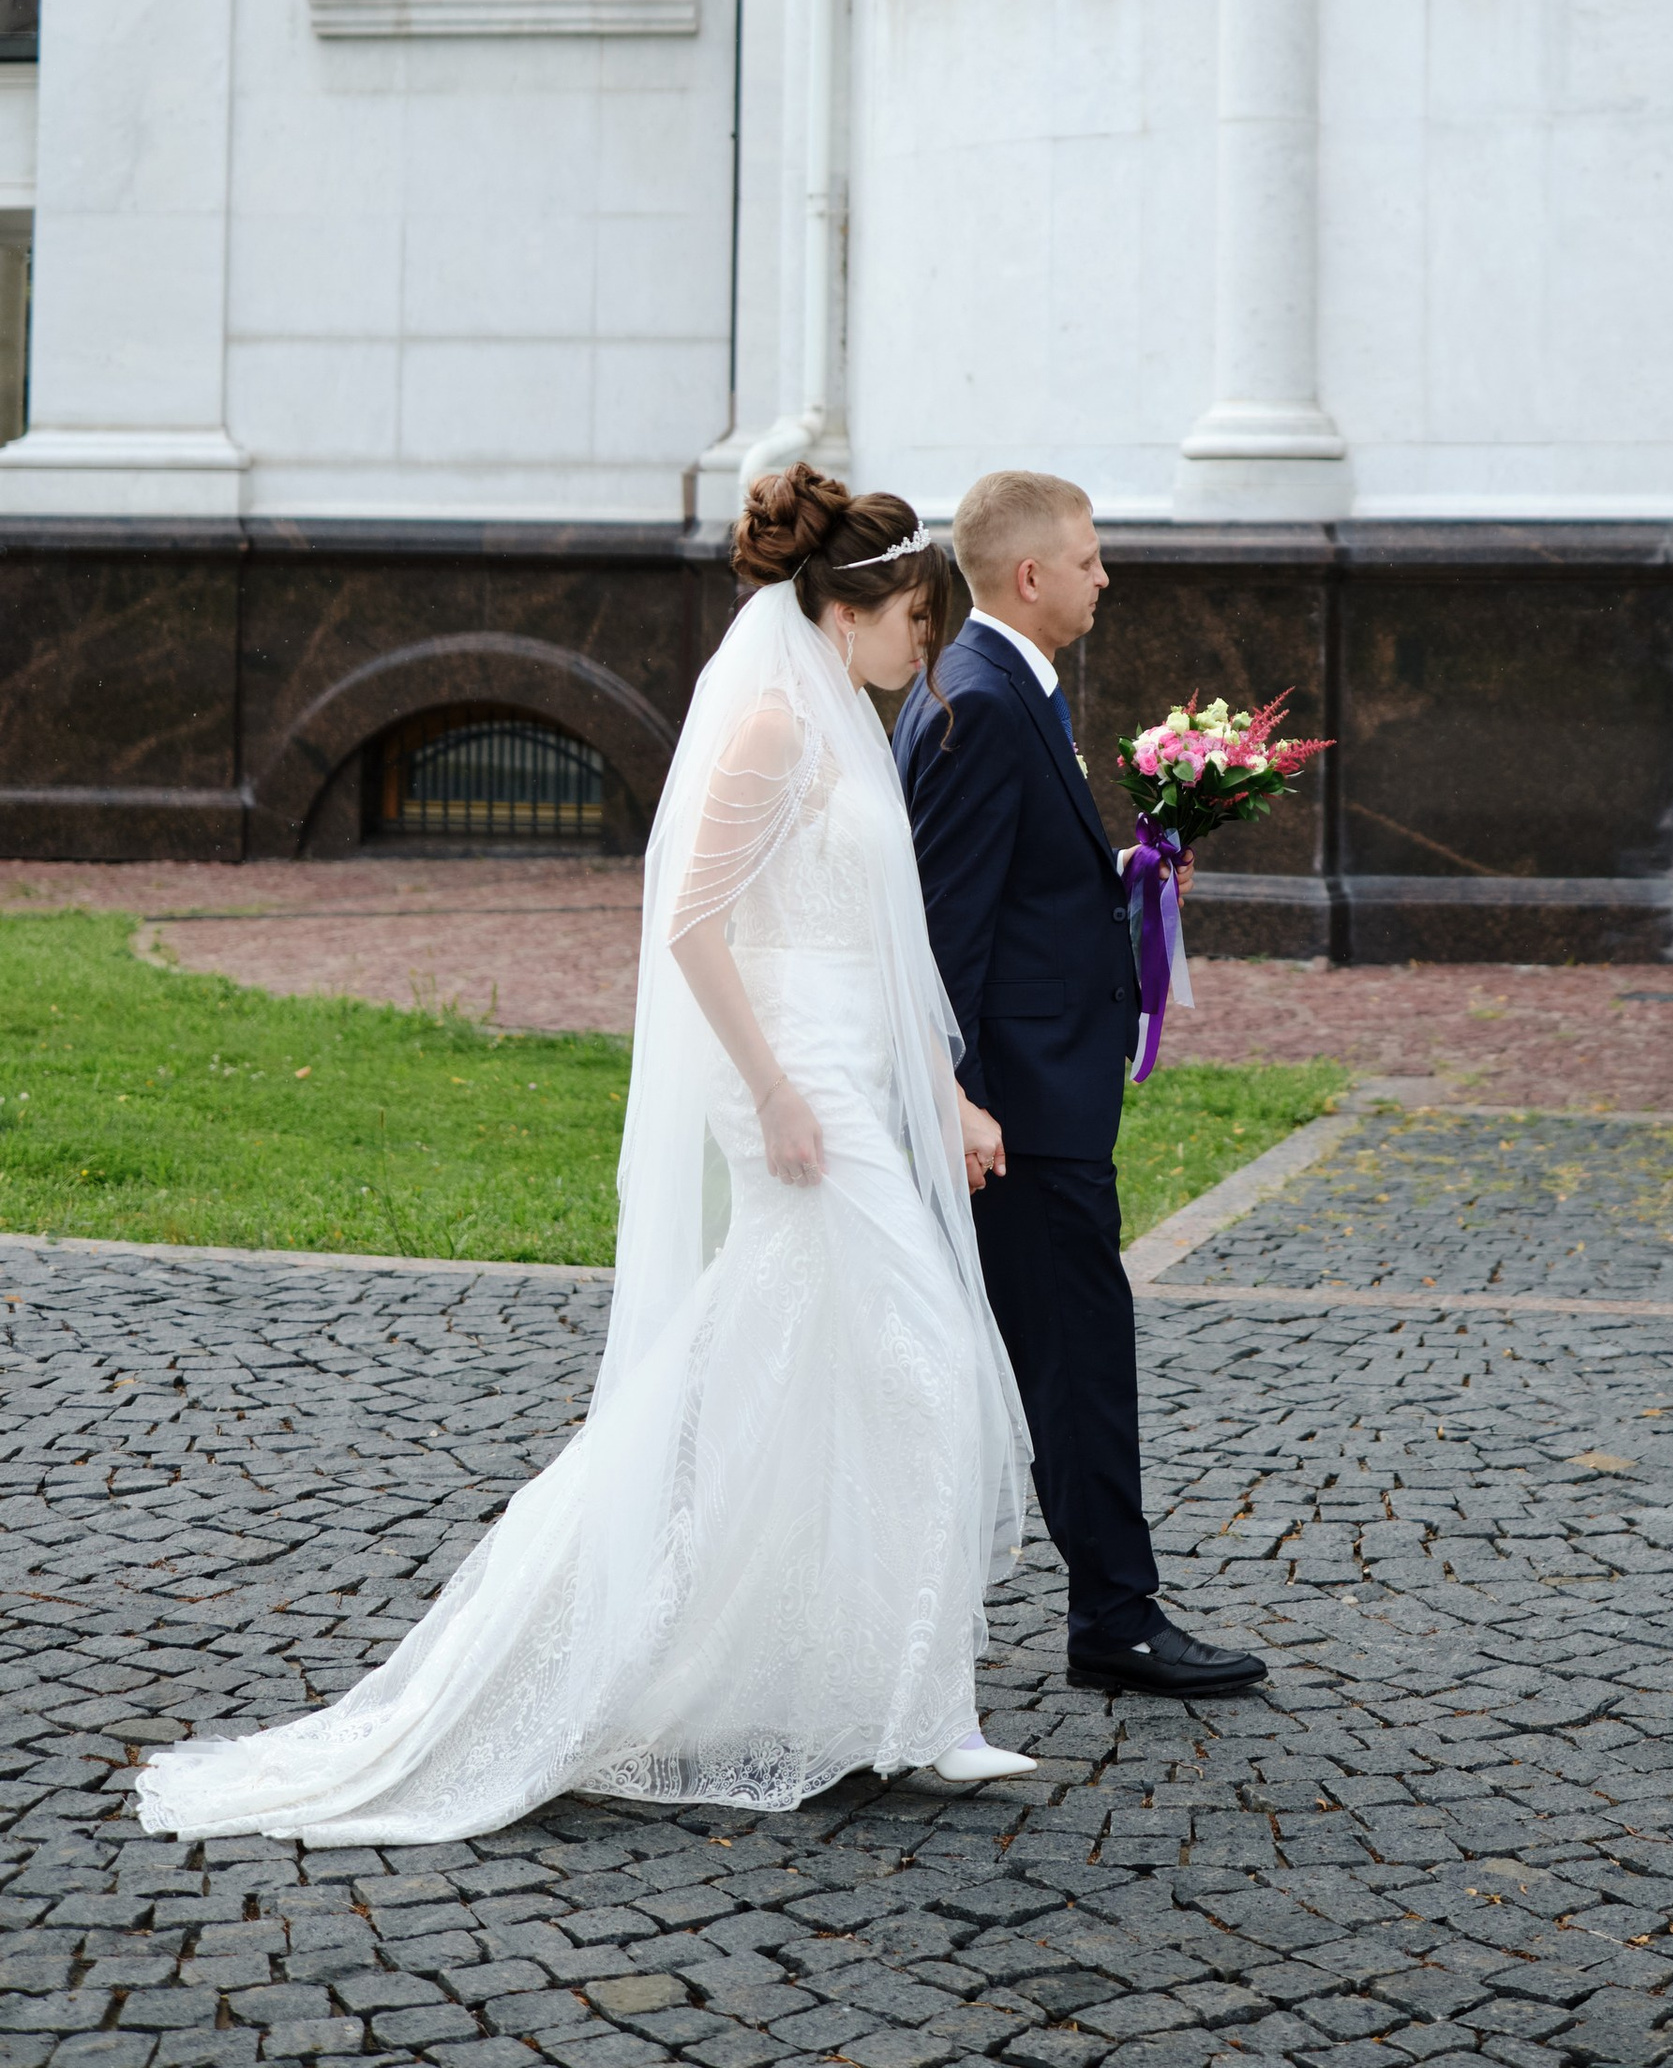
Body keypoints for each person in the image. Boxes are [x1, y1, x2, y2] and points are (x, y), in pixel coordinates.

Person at [135, 475, 1036, 1846]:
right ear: (851, 611)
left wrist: (947, 1094)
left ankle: (861, 1691)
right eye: (920, 621)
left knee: (803, 1372)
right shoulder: (775, 727)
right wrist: (773, 1093)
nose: (928, 651)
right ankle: (902, 1706)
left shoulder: (848, 726)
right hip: (794, 1088)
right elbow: (691, 926)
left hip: (852, 1070)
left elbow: (883, 946)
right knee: (917, 1359)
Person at [896, 468, 1267, 1700]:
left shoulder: (1008, 687)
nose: (1106, 577)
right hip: (1020, 1111)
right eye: (1091, 558)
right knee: (1079, 1366)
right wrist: (958, 1097)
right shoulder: (983, 702)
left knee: (1077, 1358)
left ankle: (1112, 1610)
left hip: (1040, 1094)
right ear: (1030, 575)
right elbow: (941, 929)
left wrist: (1124, 878)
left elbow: (1015, 886)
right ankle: (1116, 1619)